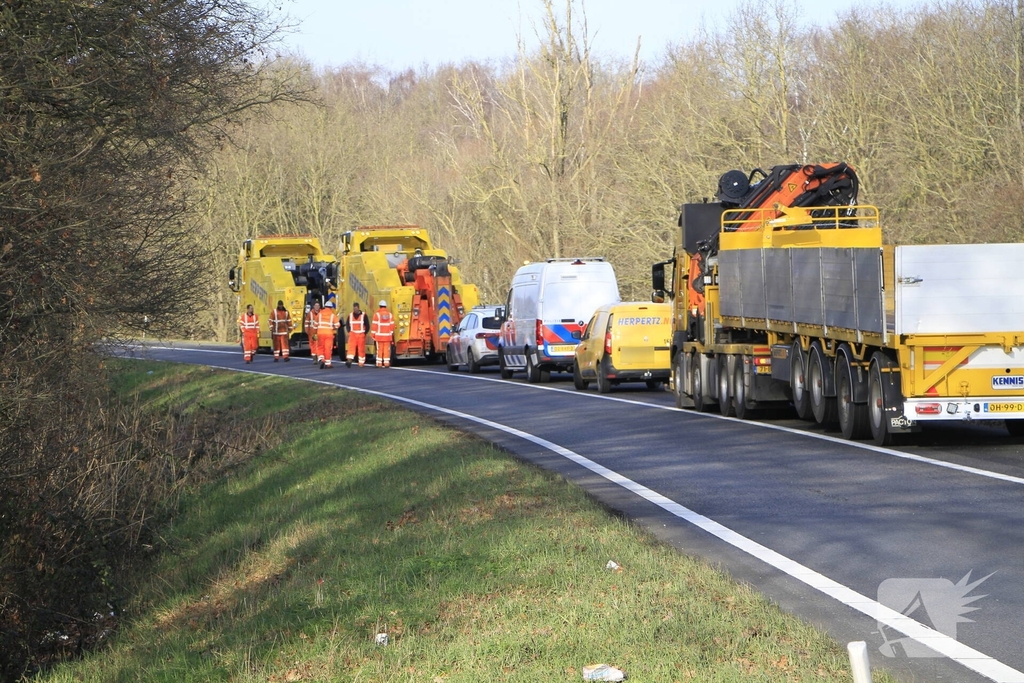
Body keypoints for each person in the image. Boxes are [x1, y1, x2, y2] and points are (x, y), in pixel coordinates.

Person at [314, 299, 341, 368]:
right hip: (329, 333)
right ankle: (328, 363)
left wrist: (315, 333)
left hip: (320, 333)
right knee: (328, 348)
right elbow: (338, 325)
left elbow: (315, 325)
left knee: (320, 347)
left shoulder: (319, 314)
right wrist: (333, 327)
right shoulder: (333, 315)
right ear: (331, 308)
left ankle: (321, 359)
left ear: (324, 306)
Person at [371, 299, 395, 368]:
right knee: (386, 350)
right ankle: (386, 363)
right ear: (385, 306)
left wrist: (373, 335)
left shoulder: (377, 315)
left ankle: (379, 363)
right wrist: (391, 334)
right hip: (387, 336)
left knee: (379, 350)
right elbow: (392, 325)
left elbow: (374, 325)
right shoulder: (390, 315)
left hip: (379, 336)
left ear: (379, 306)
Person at [346, 302, 368, 368]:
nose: (355, 310)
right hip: (353, 334)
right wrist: (349, 331)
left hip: (361, 334)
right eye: (354, 308)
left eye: (356, 308)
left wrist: (364, 333)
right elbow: (347, 324)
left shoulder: (364, 315)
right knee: (351, 348)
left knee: (361, 349)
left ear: (358, 308)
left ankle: (361, 362)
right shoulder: (350, 315)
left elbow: (367, 325)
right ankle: (349, 360)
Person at [306, 300, 322, 364]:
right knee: (313, 345)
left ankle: (319, 357)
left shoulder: (321, 313)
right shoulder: (310, 314)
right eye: (316, 305)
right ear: (313, 306)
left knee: (318, 345)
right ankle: (314, 358)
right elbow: (306, 323)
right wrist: (307, 331)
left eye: (318, 305)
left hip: (319, 331)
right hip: (312, 332)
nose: (317, 307)